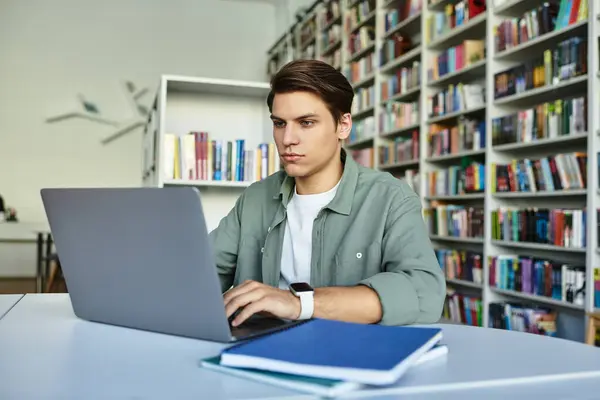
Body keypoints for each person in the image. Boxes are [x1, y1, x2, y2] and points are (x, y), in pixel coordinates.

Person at [209, 59, 446, 328]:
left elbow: (425, 292)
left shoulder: (391, 198)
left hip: (349, 357)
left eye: (306, 123)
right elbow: (201, 277)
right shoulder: (255, 199)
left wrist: (300, 303)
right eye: (279, 123)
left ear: (343, 125)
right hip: (258, 350)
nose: (288, 139)